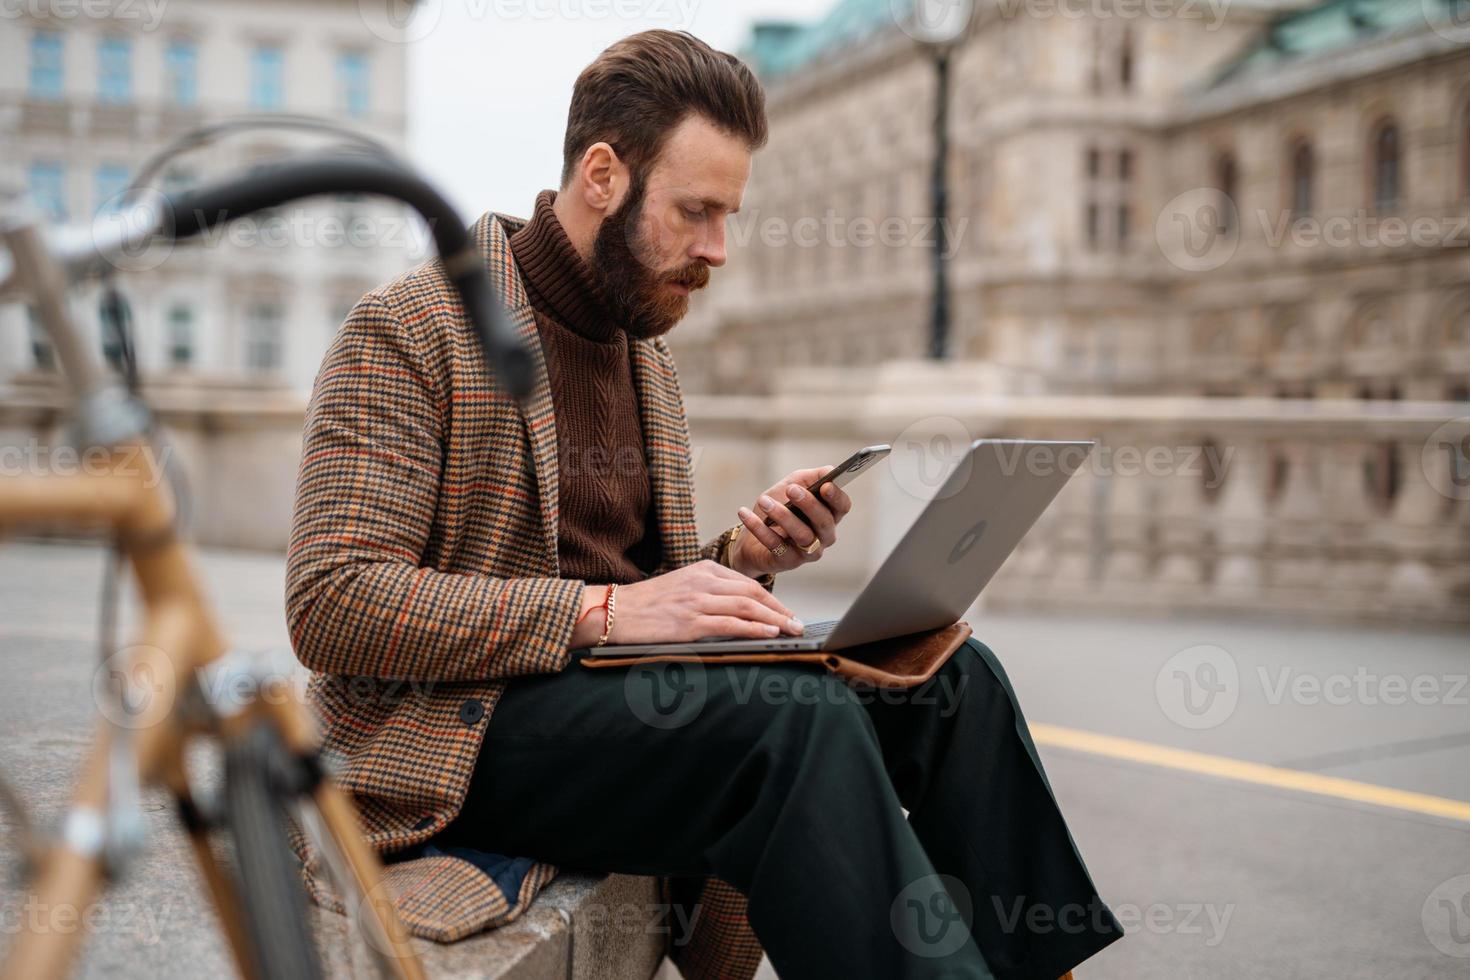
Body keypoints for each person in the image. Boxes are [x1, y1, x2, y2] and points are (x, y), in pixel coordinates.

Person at [286, 28, 1122, 980]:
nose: (717, 249)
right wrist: (606, 612)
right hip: (460, 730)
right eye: (695, 212)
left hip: (609, 704)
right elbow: (332, 601)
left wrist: (739, 564)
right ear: (603, 175)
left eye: (728, 215)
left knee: (947, 676)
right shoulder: (409, 326)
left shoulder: (648, 353)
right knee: (793, 718)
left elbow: (646, 593)